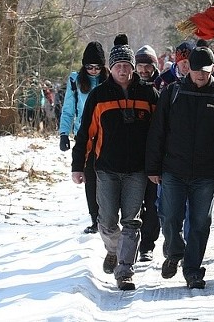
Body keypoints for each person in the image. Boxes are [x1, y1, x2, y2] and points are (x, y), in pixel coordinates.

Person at [146, 46, 214, 289]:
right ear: (188, 68)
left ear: (212, 69)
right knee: (169, 217)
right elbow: (158, 131)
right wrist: (153, 167)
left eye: (206, 70)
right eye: (197, 69)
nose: (201, 74)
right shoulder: (172, 93)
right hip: (173, 169)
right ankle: (175, 250)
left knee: (200, 222)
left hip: (205, 172)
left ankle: (193, 270)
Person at [71, 34, 158, 291]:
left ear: (133, 68)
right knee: (107, 221)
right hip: (106, 169)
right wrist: (78, 166)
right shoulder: (99, 96)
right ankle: (113, 248)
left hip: (137, 171)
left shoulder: (149, 94)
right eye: (118, 66)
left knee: (132, 220)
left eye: (127, 66)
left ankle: (124, 271)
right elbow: (86, 133)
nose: (123, 70)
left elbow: (159, 133)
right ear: (112, 67)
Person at [59, 41, 108, 234]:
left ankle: (109, 215)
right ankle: (95, 218)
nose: (94, 71)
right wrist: (64, 133)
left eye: (97, 67)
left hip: (108, 134)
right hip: (85, 135)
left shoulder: (109, 79)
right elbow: (68, 109)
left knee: (107, 177)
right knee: (89, 176)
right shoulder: (75, 81)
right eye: (89, 67)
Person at [134, 43, 161, 262]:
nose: (144, 70)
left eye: (147, 66)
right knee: (133, 204)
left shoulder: (162, 89)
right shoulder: (130, 89)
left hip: (156, 157)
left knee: (153, 204)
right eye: (140, 66)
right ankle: (132, 243)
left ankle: (147, 245)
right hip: (132, 156)